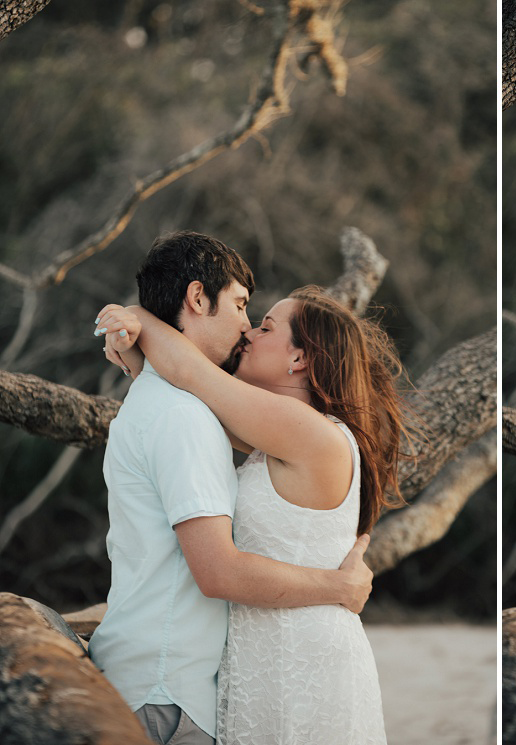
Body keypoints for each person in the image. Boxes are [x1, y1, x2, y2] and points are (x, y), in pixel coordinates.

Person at [88, 232, 375, 745]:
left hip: (300, 657)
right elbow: (182, 393)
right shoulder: (255, 429)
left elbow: (189, 374)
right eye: (246, 310)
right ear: (199, 298)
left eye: (264, 325)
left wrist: (140, 318)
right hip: (249, 662)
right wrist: (139, 358)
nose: (248, 328)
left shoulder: (307, 431)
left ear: (300, 360)